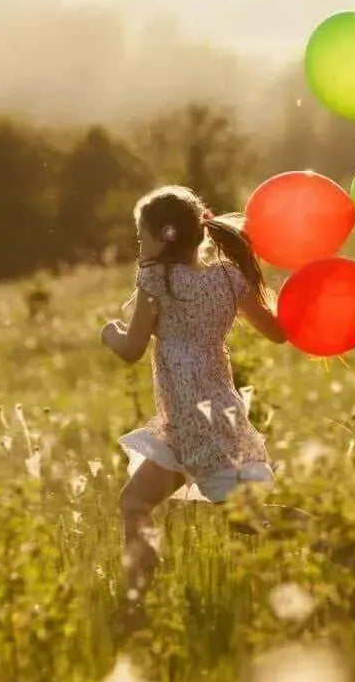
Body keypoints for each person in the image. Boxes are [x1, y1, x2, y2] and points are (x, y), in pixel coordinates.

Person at [101, 185, 286, 594]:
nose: (139, 244)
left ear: (163, 236)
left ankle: (329, 537)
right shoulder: (228, 277)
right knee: (134, 503)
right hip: (205, 413)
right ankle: (138, 593)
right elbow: (276, 332)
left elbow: (131, 348)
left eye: (141, 235)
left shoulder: (157, 279)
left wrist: (109, 333)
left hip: (194, 419)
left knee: (247, 520)